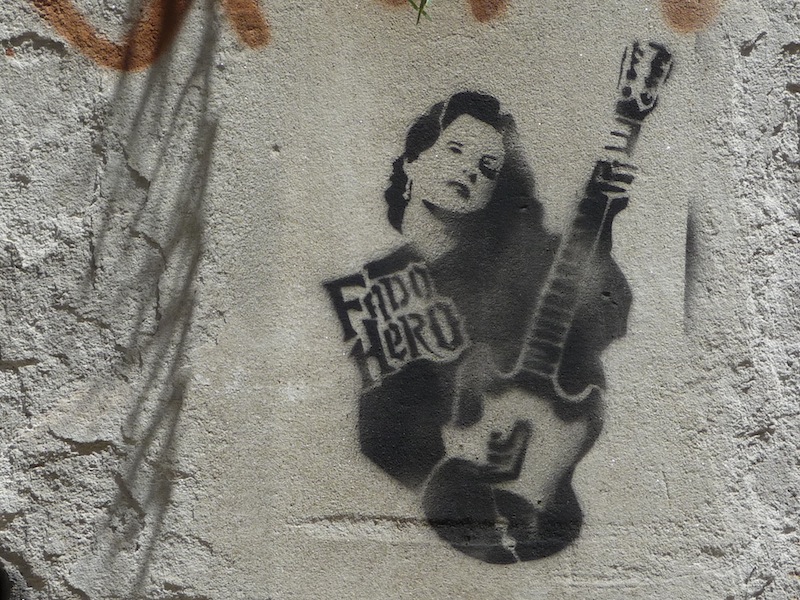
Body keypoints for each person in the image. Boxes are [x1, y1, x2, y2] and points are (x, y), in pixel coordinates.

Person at [325, 90, 631, 563]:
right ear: (412, 159)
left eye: (488, 167)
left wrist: (601, 226)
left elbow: (601, 318)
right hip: (443, 503)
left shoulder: (518, 264)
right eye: (455, 150)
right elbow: (378, 427)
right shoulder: (373, 286)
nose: (470, 171)